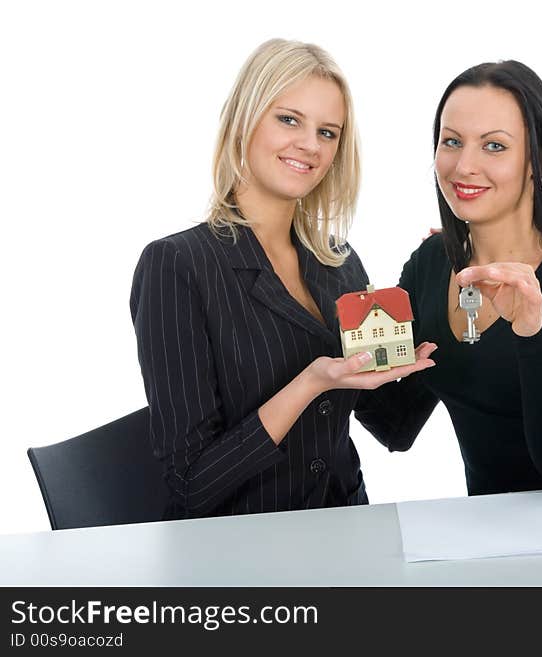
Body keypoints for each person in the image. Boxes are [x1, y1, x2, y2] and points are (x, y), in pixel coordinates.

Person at [130, 39, 435, 520]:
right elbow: (191, 485)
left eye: (328, 132)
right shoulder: (177, 265)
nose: (310, 145)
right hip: (241, 552)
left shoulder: (338, 261)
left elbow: (390, 426)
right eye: (289, 119)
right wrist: (310, 382)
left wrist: (445, 289)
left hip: (345, 530)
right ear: (244, 120)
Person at [356, 60, 542, 496]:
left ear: (538, 160)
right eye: (451, 142)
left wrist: (530, 332)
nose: (464, 166)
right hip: (486, 534)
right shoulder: (430, 263)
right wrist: (345, 326)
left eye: (494, 146)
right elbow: (395, 426)